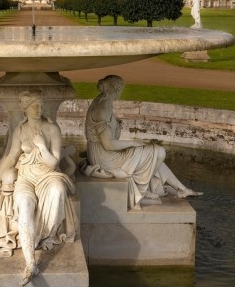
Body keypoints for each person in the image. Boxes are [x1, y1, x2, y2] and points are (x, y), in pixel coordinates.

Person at [0, 90, 78, 286]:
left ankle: (41, 235)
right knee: (24, 203)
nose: (39, 109)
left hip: (48, 175)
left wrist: (41, 146)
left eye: (41, 105)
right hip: (26, 177)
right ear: (24, 108)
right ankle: (31, 263)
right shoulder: (20, 131)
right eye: (34, 106)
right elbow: (12, 157)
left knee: (58, 190)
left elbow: (54, 164)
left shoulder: (52, 129)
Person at [81, 75, 202, 209]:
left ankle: (182, 189)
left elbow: (109, 138)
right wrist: (133, 143)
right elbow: (109, 145)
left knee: (154, 154)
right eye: (121, 89)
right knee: (158, 151)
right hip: (105, 158)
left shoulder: (102, 102)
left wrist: (117, 127)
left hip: (102, 152)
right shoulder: (102, 109)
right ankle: (143, 190)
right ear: (116, 89)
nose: (121, 92)